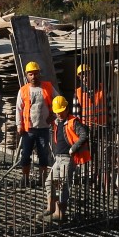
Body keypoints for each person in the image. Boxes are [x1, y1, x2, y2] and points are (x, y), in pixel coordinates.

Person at [42, 95, 89, 223]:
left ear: (67, 109)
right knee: (49, 182)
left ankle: (60, 213)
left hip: (68, 159)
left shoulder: (74, 122)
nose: (59, 114)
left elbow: (84, 135)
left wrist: (73, 148)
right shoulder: (58, 122)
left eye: (61, 111)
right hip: (58, 159)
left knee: (63, 186)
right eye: (57, 112)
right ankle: (51, 208)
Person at [14, 60, 54, 187]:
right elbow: (19, 109)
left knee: (43, 155)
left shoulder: (47, 87)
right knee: (25, 155)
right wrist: (19, 125)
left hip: (43, 128)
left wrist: (53, 116)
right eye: (31, 74)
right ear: (27, 75)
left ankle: (43, 180)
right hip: (28, 129)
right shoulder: (23, 90)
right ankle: (25, 178)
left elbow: (58, 100)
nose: (33, 76)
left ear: (39, 74)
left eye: (35, 74)